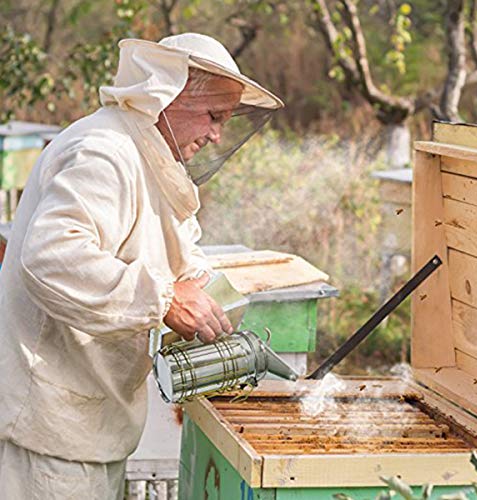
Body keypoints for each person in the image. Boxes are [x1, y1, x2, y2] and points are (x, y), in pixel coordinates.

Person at [0, 33, 283, 499]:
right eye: (214, 116)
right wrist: (167, 299)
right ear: (167, 94)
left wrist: (201, 286)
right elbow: (51, 257)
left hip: (85, 426)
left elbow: (173, 249)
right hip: (47, 433)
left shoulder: (147, 157)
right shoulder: (104, 151)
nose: (217, 135)